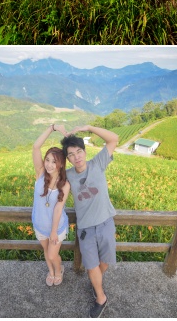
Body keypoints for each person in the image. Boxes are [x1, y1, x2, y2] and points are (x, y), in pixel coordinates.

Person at [61, 125, 120, 318]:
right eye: (71, 154)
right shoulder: (68, 175)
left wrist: (89, 128)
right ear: (68, 159)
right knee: (91, 266)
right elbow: (48, 168)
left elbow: (114, 139)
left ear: (84, 152)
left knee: (105, 261)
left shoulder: (98, 163)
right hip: (86, 229)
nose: (77, 156)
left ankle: (96, 282)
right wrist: (53, 129)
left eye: (79, 151)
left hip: (105, 223)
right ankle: (100, 298)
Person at [31, 123, 70, 287]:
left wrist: (53, 231)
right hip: (39, 224)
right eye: (47, 160)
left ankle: (59, 269)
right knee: (46, 253)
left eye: (54, 162)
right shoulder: (40, 173)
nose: (49, 164)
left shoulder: (64, 184)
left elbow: (58, 208)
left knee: (53, 255)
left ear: (60, 164)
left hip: (56, 227)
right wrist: (52, 128)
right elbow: (35, 147)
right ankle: (52, 272)